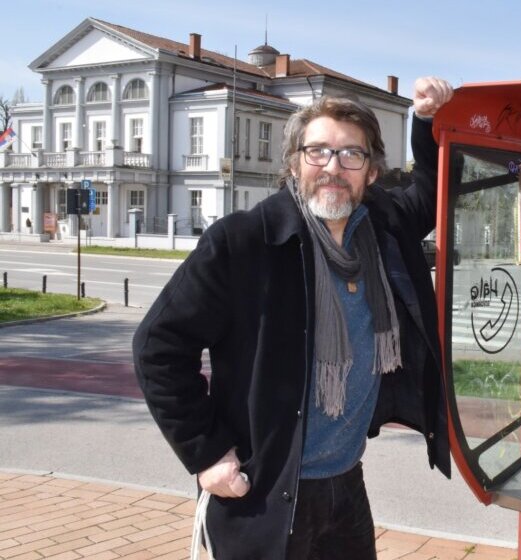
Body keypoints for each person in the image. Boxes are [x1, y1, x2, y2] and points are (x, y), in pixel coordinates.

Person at [133, 77, 454, 559]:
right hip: (261, 492)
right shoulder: (243, 242)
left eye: (351, 155)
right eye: (317, 152)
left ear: (370, 172)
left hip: (346, 484)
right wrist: (206, 454)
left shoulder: (383, 226)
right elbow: (158, 346)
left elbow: (430, 192)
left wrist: (426, 121)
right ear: (293, 164)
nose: (332, 167)